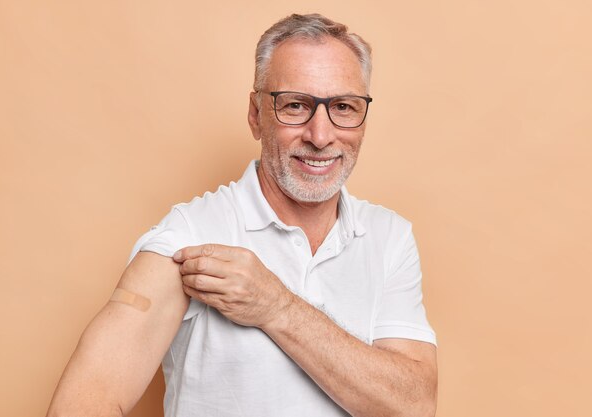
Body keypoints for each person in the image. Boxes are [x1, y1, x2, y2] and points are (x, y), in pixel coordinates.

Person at [47, 13, 437, 417]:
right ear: (255, 115)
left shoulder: (389, 237)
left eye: (343, 106)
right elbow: (80, 404)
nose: (320, 136)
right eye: (295, 105)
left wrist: (277, 306)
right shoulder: (189, 238)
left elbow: (414, 406)